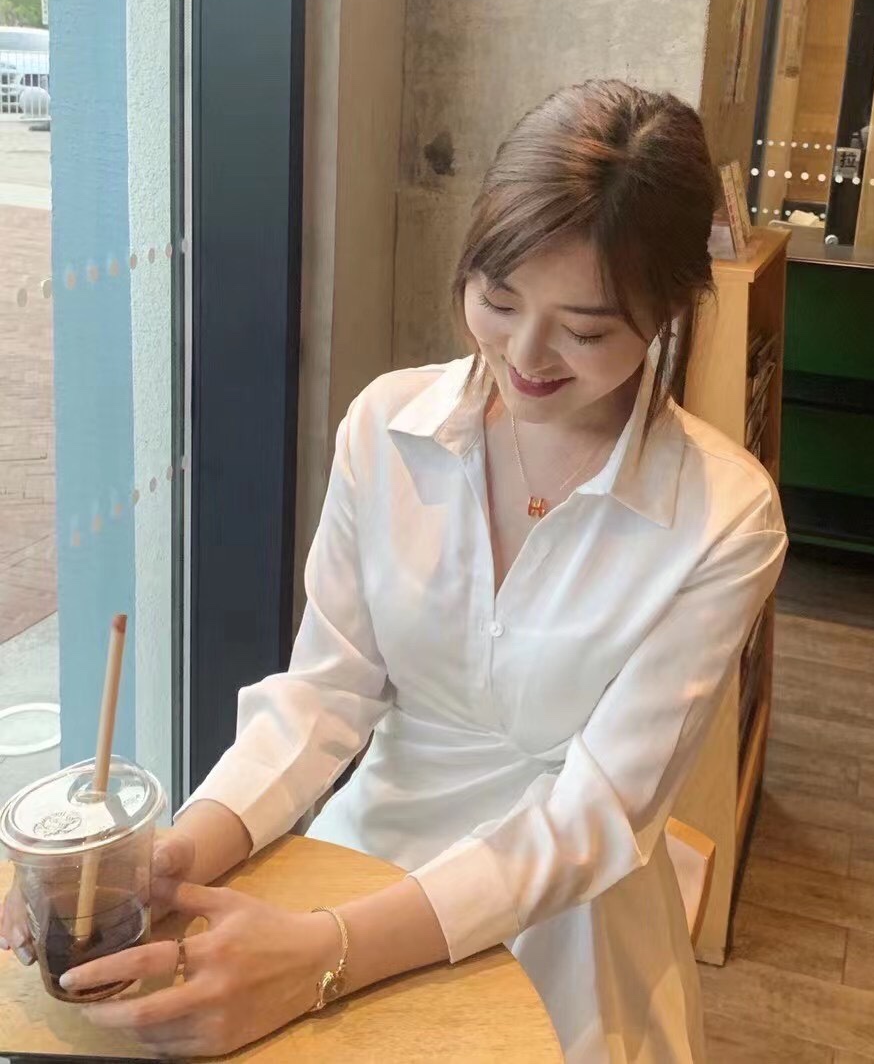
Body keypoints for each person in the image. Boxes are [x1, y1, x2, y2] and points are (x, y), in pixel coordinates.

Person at [2, 80, 786, 1061]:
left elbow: (594, 817)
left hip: (566, 929)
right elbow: (326, 693)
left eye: (585, 330)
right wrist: (184, 853)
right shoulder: (388, 426)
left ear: (667, 308)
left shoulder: (722, 517)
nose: (526, 355)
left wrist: (323, 957)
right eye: (498, 299)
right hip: (359, 865)